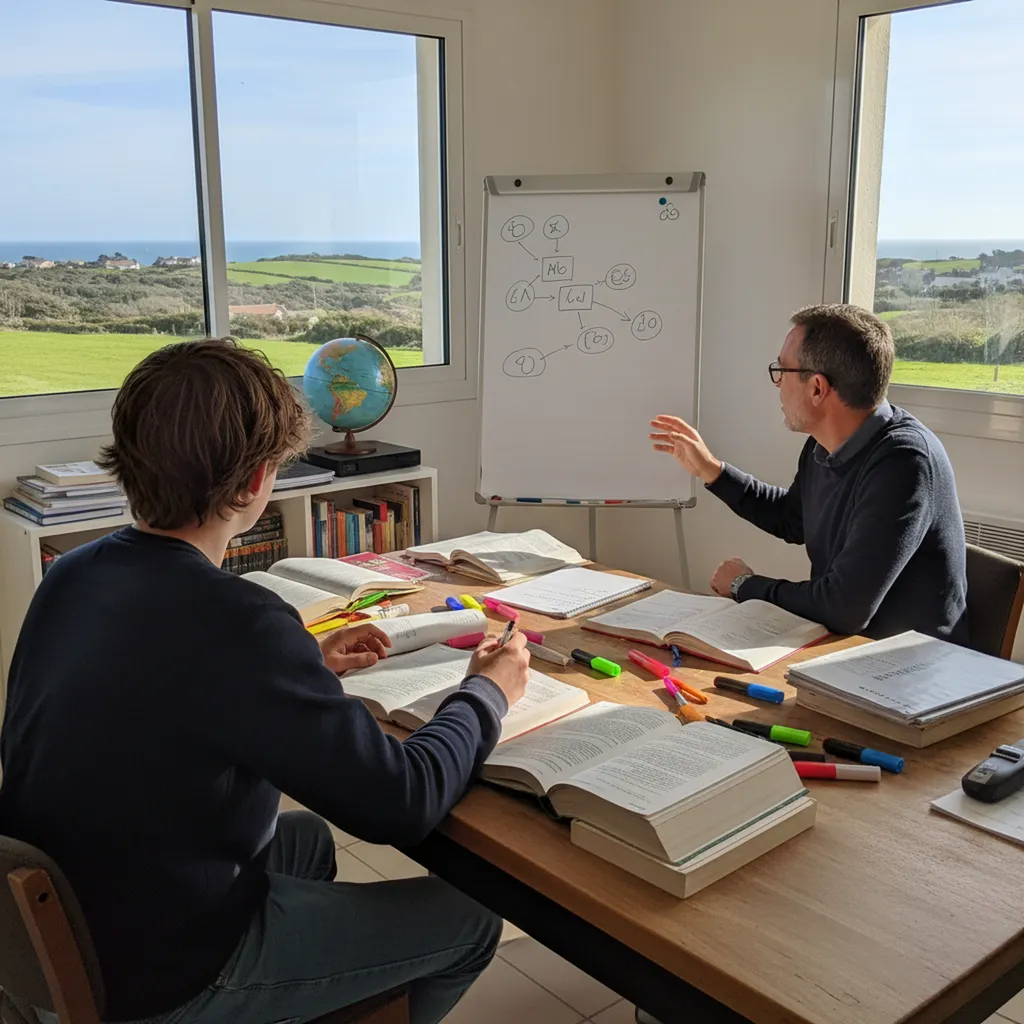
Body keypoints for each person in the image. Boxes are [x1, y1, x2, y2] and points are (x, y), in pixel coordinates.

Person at [0, 338, 530, 1024]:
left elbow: (162, 690)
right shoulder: (237, 621)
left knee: (303, 841)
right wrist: (487, 692)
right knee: (469, 923)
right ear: (256, 483)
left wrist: (301, 665)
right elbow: (399, 806)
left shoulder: (73, 574)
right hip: (153, 976)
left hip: (70, 921)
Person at [649, 303, 968, 642]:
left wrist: (744, 585)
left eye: (781, 371)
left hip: (910, 666)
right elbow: (793, 519)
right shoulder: (824, 444)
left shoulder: (904, 462)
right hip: (849, 648)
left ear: (817, 388)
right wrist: (712, 471)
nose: (776, 385)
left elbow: (844, 608)